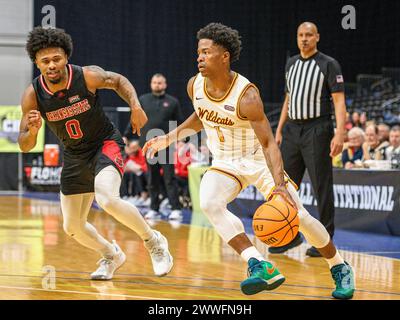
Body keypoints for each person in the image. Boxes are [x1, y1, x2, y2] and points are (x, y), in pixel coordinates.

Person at [143, 22, 355, 299]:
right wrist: (169, 138)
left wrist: (279, 185)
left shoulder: (247, 95)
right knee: (208, 202)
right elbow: (201, 115)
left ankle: (339, 266)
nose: (199, 57)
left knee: (298, 215)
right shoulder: (194, 85)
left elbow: (268, 142)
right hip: (225, 162)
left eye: (206, 52)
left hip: (257, 160)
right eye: (199, 52)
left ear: (224, 56)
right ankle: (258, 263)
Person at [19, 27, 173, 280]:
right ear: (37, 63)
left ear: (66, 57)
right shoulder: (32, 95)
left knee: (107, 198)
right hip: (74, 154)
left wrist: (135, 105)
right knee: (72, 227)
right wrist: (33, 132)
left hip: (104, 143)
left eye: (56, 58)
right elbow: (24, 144)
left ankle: (153, 241)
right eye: (45, 61)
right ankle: (111, 254)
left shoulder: (86, 76)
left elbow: (119, 80)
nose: (51, 65)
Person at [273, 22, 347, 257]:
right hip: (293, 130)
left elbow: (339, 101)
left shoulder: (328, 63)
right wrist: (280, 128)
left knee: (321, 186)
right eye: (300, 35)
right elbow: (288, 97)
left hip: (318, 128)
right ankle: (289, 237)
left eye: (308, 35)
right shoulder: (291, 63)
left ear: (317, 37)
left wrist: (340, 133)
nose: (304, 39)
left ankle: (325, 240)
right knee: (285, 186)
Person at [124, 74, 183, 220]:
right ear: (151, 84)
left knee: (170, 177)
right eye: (155, 82)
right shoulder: (143, 100)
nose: (157, 85)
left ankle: (176, 209)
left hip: (166, 145)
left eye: (160, 83)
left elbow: (179, 123)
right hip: (148, 145)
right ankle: (154, 208)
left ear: (165, 84)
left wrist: (182, 139)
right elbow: (135, 119)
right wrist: (127, 135)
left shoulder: (173, 102)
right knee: (152, 178)